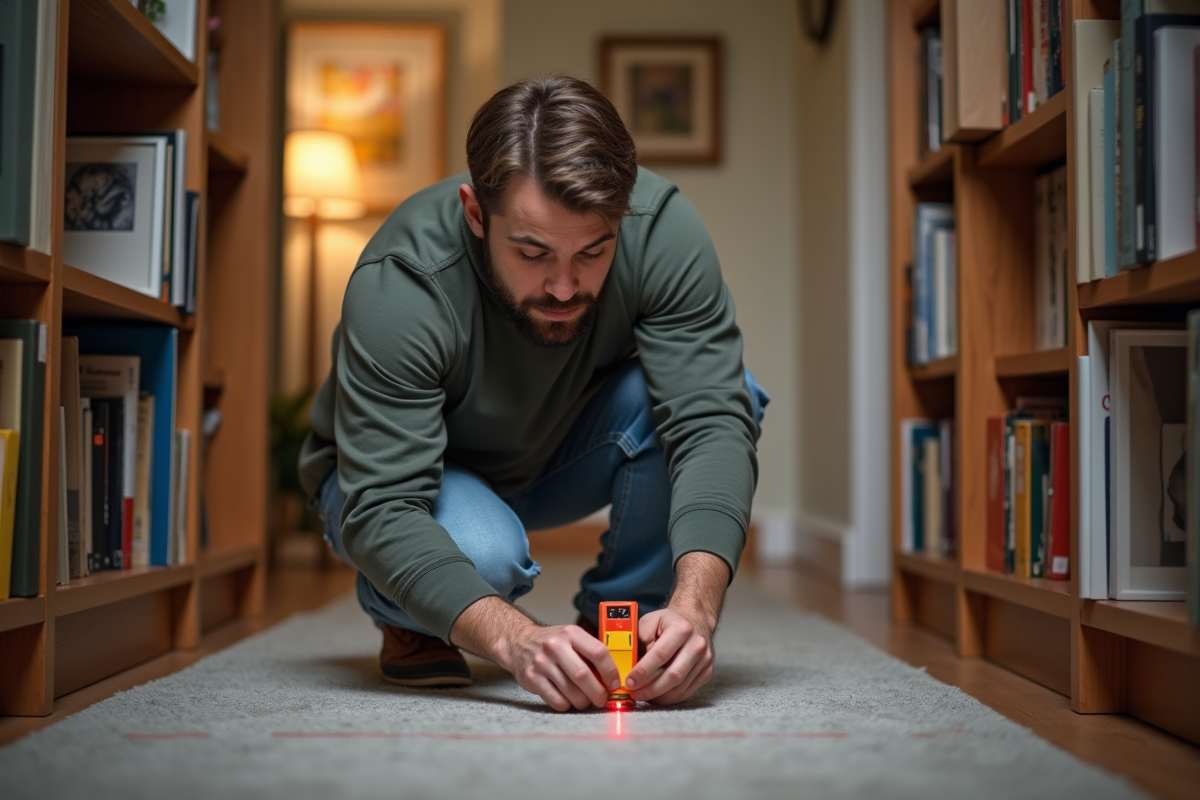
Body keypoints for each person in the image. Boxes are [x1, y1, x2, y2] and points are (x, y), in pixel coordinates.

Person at [298, 75, 768, 712]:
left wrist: (695, 608)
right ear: (475, 214)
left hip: (553, 450)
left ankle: (621, 626)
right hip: (403, 482)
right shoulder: (402, 284)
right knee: (485, 557)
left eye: (593, 252)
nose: (565, 287)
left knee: (734, 392)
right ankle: (407, 612)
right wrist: (516, 641)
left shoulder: (660, 230)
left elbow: (711, 421)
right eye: (533, 252)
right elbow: (384, 505)